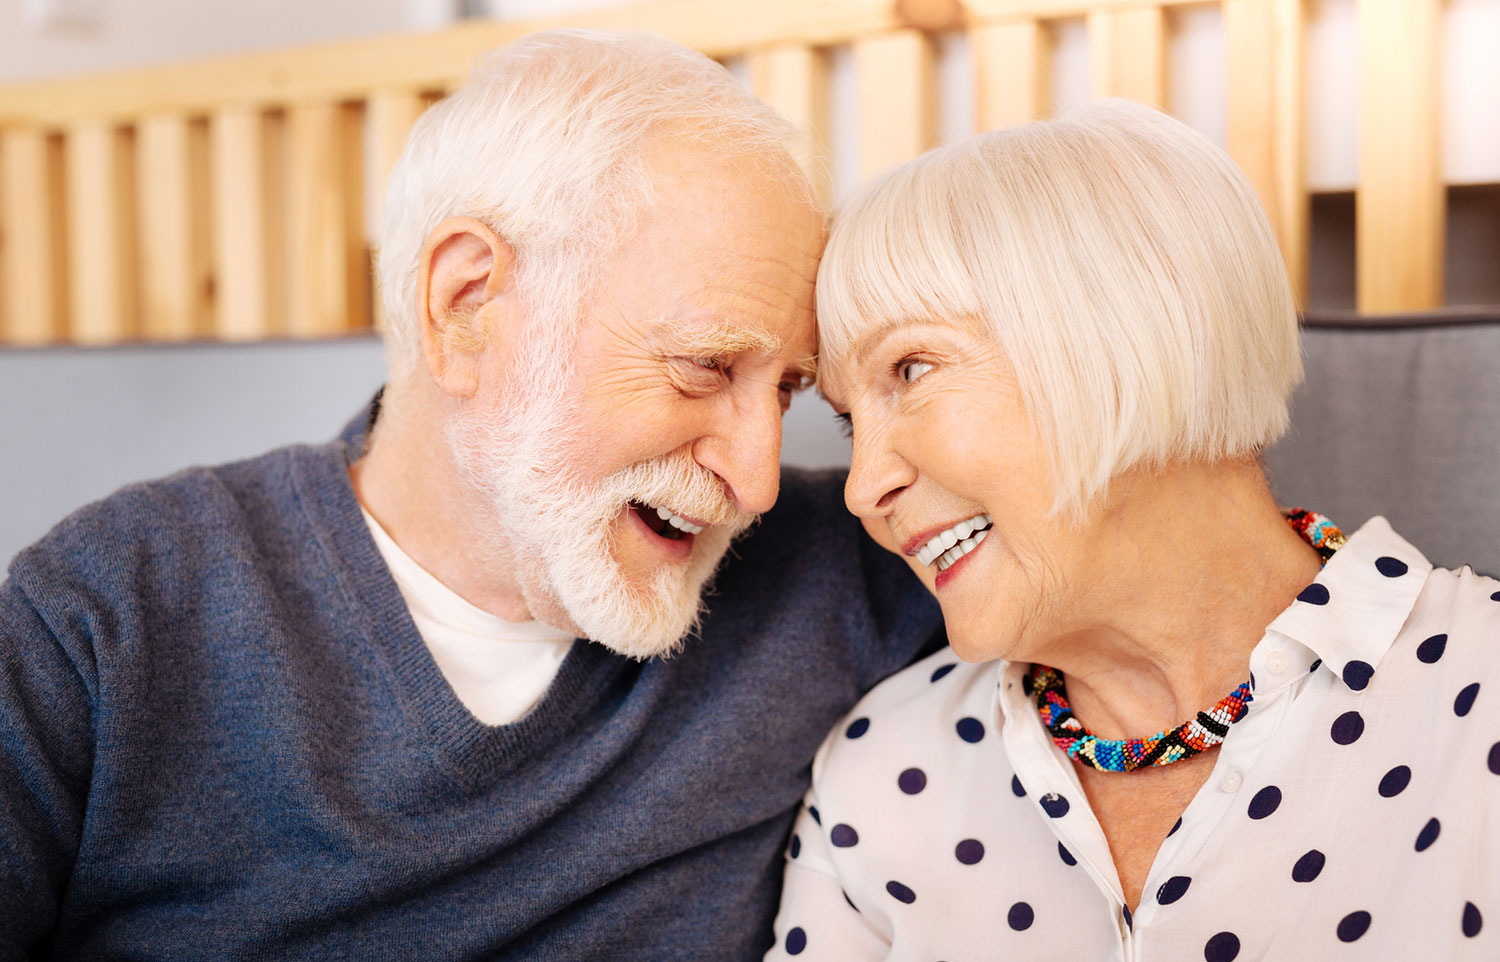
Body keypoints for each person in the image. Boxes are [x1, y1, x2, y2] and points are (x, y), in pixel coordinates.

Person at [0, 31, 941, 960]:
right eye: (704, 367)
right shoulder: (108, 618)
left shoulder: (844, 571)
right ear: (467, 306)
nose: (757, 481)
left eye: (785, 391)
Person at [766, 100, 1500, 961]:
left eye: (912, 368)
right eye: (852, 423)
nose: (864, 486)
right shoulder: (878, 772)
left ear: (1138, 328)